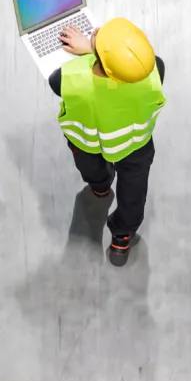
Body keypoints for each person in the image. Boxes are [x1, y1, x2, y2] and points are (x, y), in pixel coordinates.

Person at [49, 18, 166, 266]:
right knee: (134, 192)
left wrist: (88, 51)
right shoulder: (156, 69)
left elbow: (56, 81)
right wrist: (97, 50)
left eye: (97, 38)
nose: (96, 30)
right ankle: (122, 237)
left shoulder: (67, 79)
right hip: (134, 145)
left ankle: (101, 187)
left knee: (92, 169)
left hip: (88, 143)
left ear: (102, 65)